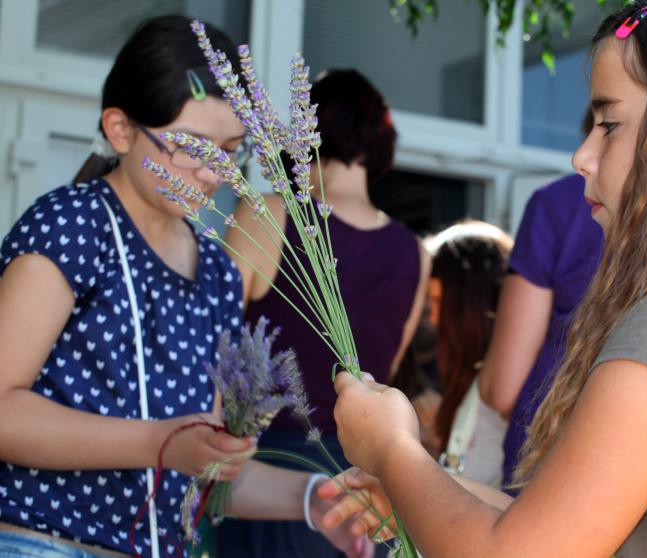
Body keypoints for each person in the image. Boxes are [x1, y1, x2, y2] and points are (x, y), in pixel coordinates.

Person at [321, 1, 647, 555]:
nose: (581, 156)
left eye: (608, 125)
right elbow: (577, 528)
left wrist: (389, 448)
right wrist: (419, 490)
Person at [0, 16, 367, 558]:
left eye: (231, 148)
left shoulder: (218, 270)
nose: (213, 172)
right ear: (121, 129)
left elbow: (207, 470)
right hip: (38, 542)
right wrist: (163, 443)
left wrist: (313, 498)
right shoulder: (74, 224)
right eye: (191, 146)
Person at [217, 69, 429, 557]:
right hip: (362, 486)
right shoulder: (414, 253)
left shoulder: (267, 215)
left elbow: (215, 340)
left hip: (271, 472)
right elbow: (384, 374)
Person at [478, 170, 603, 487]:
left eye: (608, 127)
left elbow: (501, 390)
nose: (583, 157)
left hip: (544, 459)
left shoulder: (564, 202)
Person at [422, 220, 512, 486]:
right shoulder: (478, 381)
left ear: (471, 302)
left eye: (439, 302)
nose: (434, 319)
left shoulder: (501, 389)